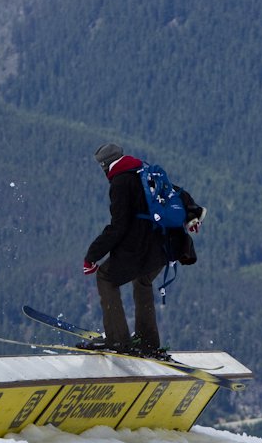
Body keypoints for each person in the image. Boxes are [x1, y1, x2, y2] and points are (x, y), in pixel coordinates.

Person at [81, 143, 203, 359]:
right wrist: (192, 216)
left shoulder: (120, 182)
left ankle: (117, 340)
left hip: (140, 248)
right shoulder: (145, 171)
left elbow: (118, 227)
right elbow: (178, 193)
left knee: (105, 277)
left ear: (104, 165)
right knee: (142, 281)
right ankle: (148, 342)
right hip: (164, 246)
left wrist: (92, 257)